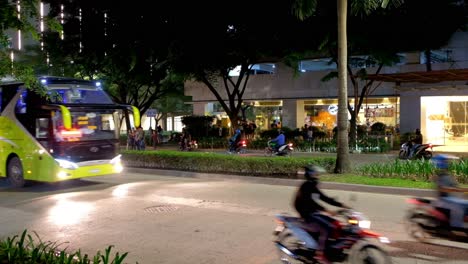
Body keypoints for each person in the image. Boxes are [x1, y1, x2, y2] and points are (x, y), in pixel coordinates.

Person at [293, 165, 350, 264]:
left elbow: (324, 198)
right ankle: (320, 254)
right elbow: (311, 202)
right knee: (326, 227)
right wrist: (326, 210)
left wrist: (341, 205)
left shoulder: (312, 185)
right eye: (316, 173)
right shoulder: (306, 186)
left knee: (335, 223)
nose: (318, 175)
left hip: (313, 212)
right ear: (311, 175)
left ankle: (332, 250)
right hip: (307, 214)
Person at [432, 154, 468, 229]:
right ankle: (456, 227)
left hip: (450, 198)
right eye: (445, 161)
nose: (447, 163)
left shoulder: (448, 175)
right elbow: (442, 188)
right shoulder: (439, 176)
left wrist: (465, 190)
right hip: (442, 200)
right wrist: (455, 189)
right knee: (458, 207)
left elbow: (457, 187)